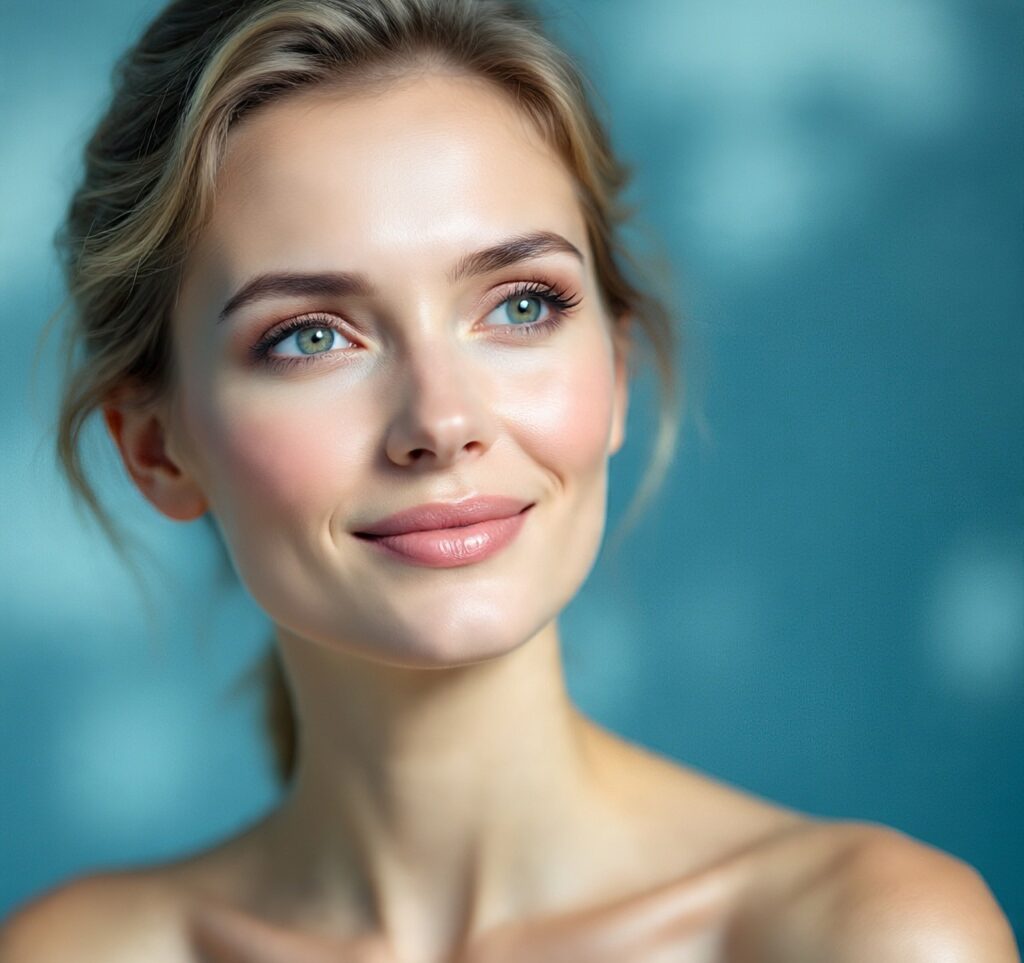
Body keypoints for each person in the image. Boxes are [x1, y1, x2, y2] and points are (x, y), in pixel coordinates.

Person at [1, 0, 1017, 961]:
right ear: (155, 451)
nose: (441, 423)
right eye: (311, 336)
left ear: (617, 374)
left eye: (521, 306)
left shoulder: (865, 938)